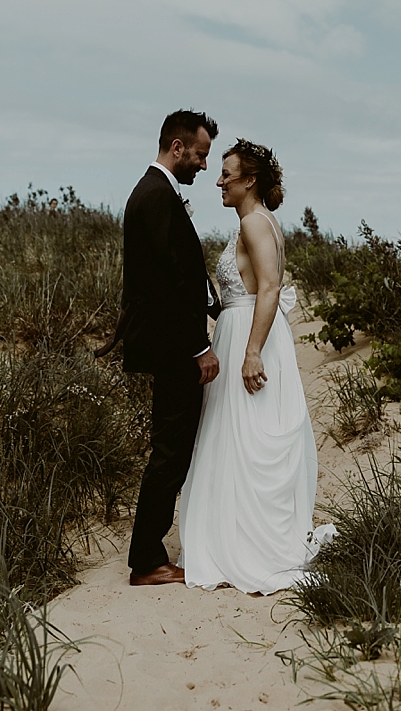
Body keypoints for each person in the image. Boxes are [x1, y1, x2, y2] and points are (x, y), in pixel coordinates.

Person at [178, 139, 333, 593]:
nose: (219, 180)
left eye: (226, 173)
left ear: (249, 180)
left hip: (251, 335)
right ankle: (238, 532)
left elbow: (268, 289)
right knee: (235, 438)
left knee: (245, 438)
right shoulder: (255, 221)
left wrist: (251, 351)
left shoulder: (254, 224)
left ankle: (250, 545)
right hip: (241, 329)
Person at [118, 109, 223, 587]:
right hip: (174, 349)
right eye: (200, 154)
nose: (204, 165)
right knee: (170, 452)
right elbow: (171, 286)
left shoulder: (153, 193)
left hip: (168, 345)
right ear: (176, 148)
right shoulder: (157, 197)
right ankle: (146, 560)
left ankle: (150, 552)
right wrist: (199, 347)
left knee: (172, 449)